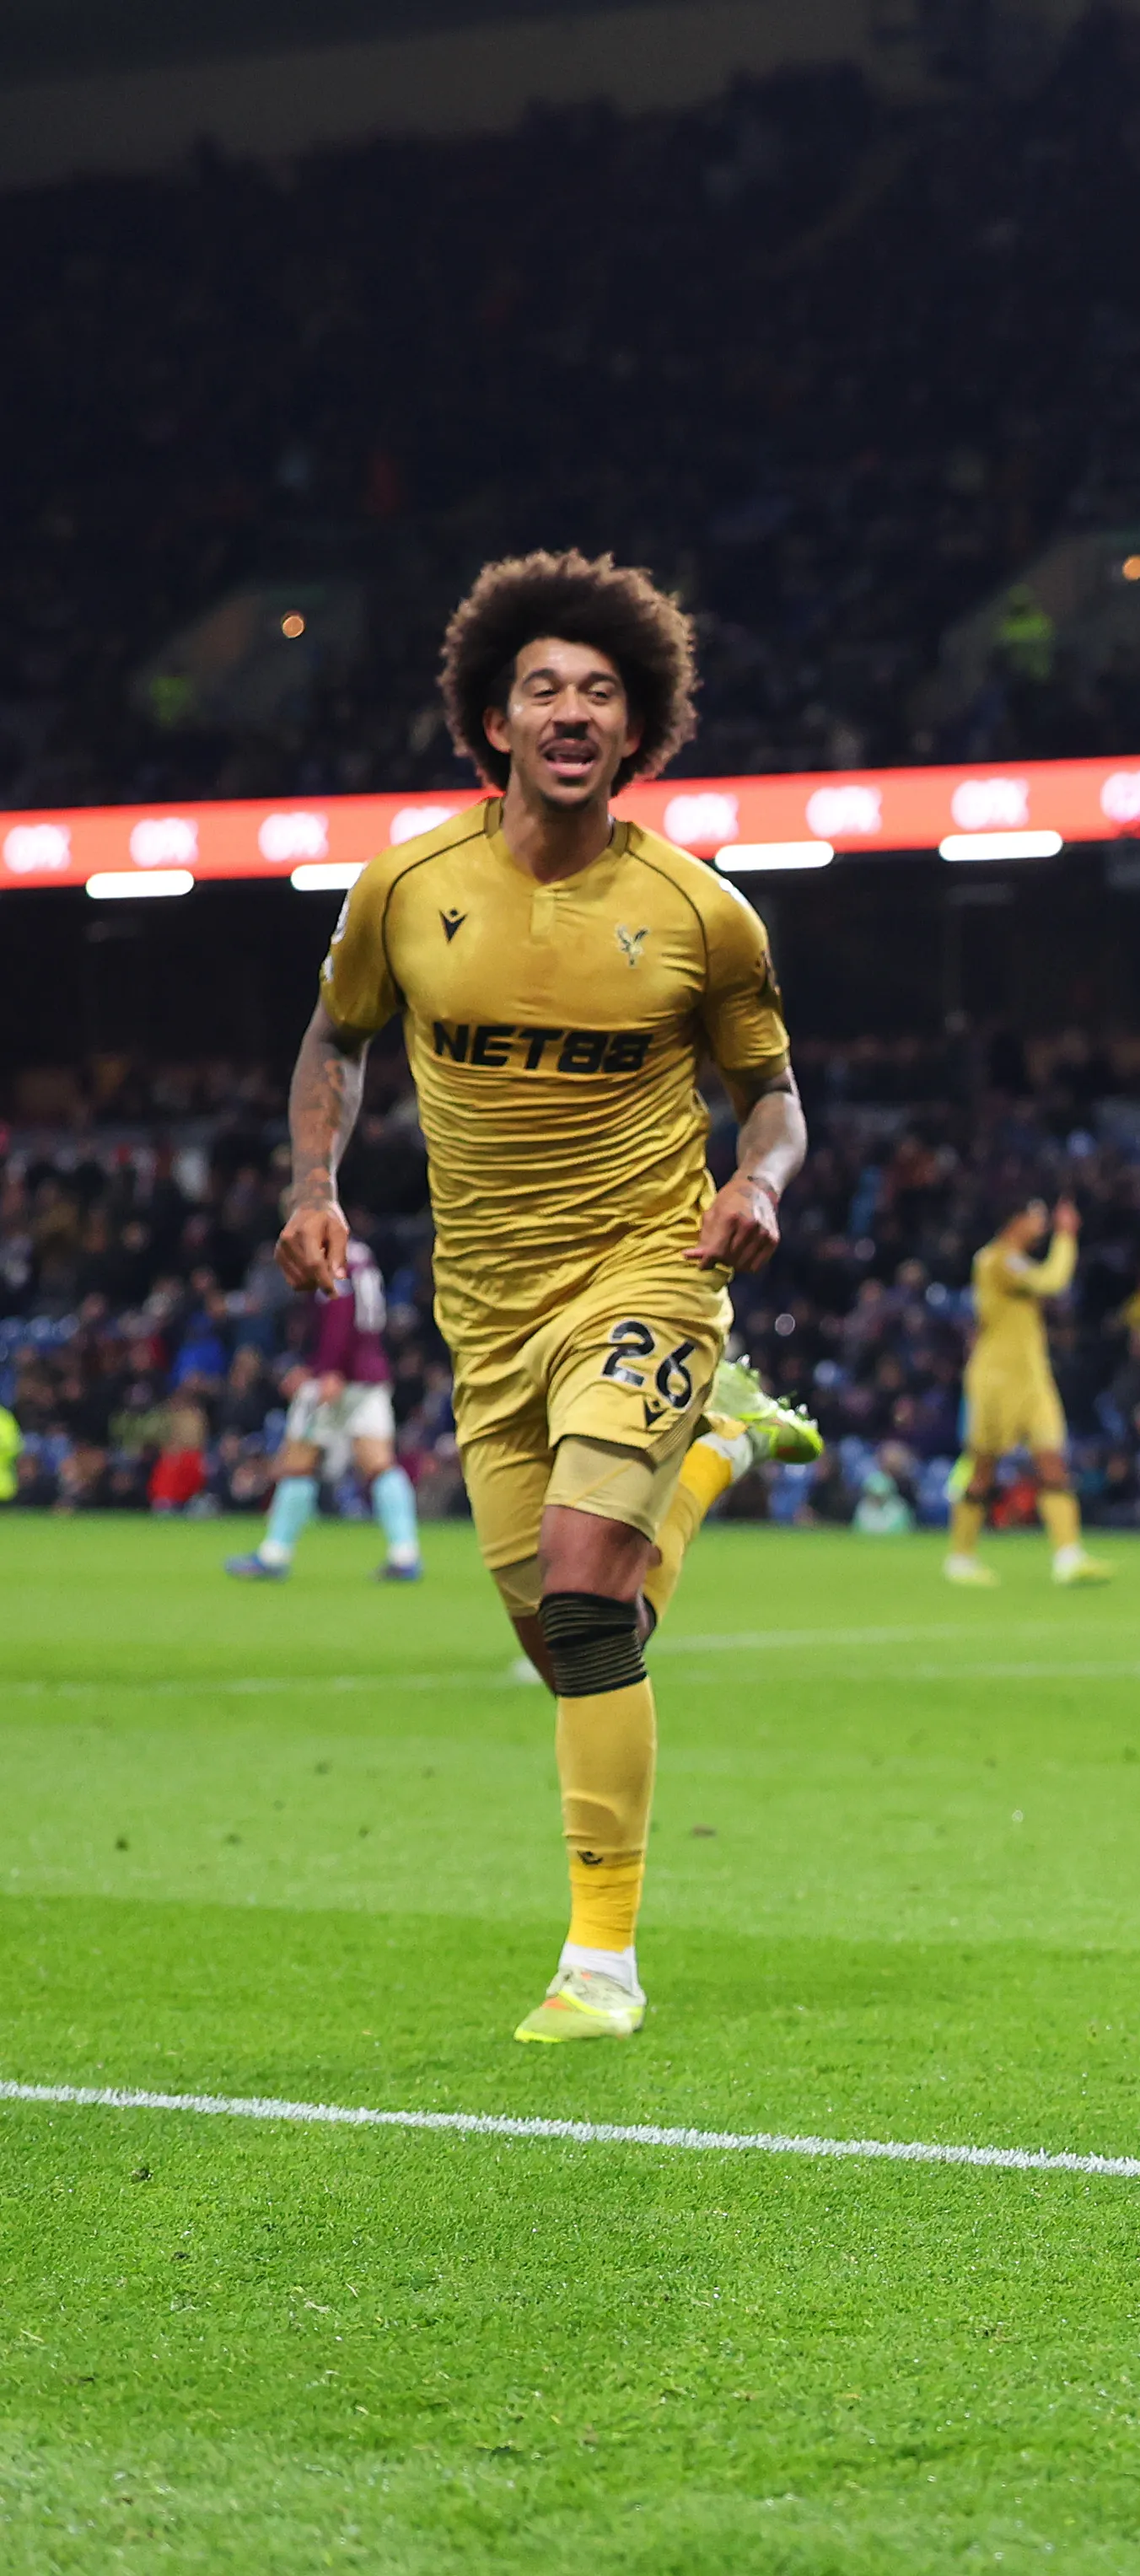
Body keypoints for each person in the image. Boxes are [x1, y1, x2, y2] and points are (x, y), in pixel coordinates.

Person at [282, 550, 806, 2045]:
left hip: (651, 1272)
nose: (571, 711)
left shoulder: (702, 914)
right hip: (489, 1317)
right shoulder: (408, 886)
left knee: (585, 1590)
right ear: (493, 722)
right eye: (543, 690)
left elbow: (774, 1100)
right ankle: (713, 1452)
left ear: (636, 730)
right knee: (575, 1639)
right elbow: (335, 1045)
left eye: (600, 692)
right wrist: (312, 1189)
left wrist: (757, 1182)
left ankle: (600, 1965)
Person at [224, 1237, 424, 1583]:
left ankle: (274, 1554)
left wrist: (328, 1369)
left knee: (298, 1461)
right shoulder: (362, 1254)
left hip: (339, 1375)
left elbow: (339, 1311)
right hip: (369, 1371)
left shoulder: (332, 1255)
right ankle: (405, 1554)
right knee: (378, 1463)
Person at [948, 1199, 1111, 1588]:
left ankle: (1068, 1556)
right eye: (1034, 1216)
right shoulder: (994, 1261)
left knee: (1052, 1460)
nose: (1040, 1224)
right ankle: (961, 1556)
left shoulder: (1014, 1262)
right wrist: (1067, 1235)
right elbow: (1052, 1281)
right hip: (995, 1380)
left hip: (1033, 1378)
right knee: (983, 1468)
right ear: (1013, 1220)